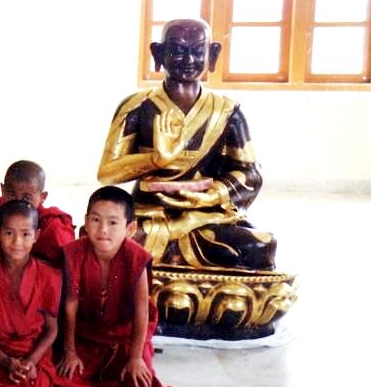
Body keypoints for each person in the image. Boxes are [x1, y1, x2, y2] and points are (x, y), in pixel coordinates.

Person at [96, 18, 275, 271]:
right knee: (108, 238)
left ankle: (163, 259)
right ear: (158, 53)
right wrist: (155, 160)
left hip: (204, 217)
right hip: (149, 213)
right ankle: (169, 259)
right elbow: (107, 172)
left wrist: (213, 195)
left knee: (260, 246)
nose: (188, 59)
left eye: (197, 51)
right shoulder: (137, 106)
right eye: (177, 50)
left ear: (212, 53)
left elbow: (250, 173)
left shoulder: (226, 111)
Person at [0, 200, 83, 387]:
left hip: (36, 353)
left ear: (36, 235)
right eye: (9, 233)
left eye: (25, 234)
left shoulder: (49, 276)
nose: (17, 242)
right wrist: (4, 360)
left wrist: (32, 361)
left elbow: (52, 329)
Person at [57, 186, 170, 387]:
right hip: (87, 334)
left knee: (138, 384)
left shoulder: (136, 257)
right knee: (67, 380)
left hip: (125, 336)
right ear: (86, 222)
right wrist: (70, 351)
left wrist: (136, 357)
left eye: (113, 222)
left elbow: (141, 311)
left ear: (130, 228)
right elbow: (70, 306)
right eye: (96, 220)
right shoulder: (74, 253)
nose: (103, 230)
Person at [0, 160, 75, 266]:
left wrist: (20, 265)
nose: (18, 204)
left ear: (42, 197)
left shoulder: (53, 226)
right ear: (3, 190)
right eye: (12, 195)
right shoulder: (0, 206)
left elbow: (64, 268)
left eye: (26, 198)